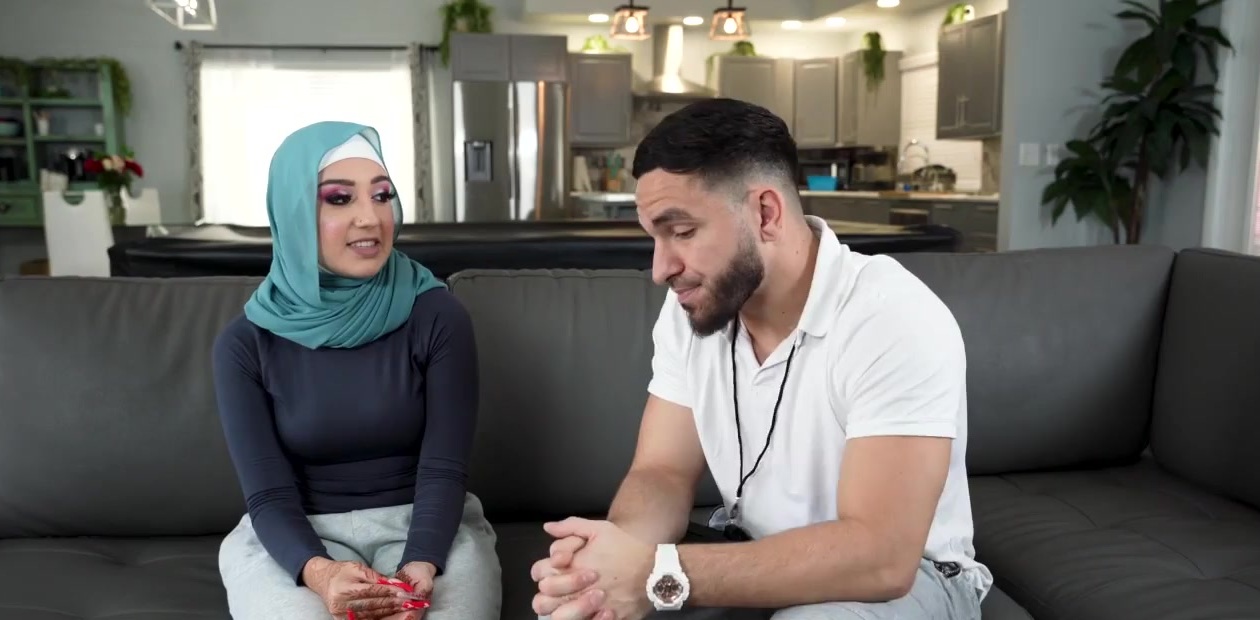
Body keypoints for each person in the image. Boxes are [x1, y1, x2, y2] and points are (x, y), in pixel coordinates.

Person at [529, 98, 991, 620]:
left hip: (907, 580)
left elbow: (880, 557)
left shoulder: (890, 316)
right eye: (654, 237)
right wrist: (611, 566)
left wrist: (658, 573)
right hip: (752, 550)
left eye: (682, 232)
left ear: (765, 213)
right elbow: (662, 472)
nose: (661, 268)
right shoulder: (692, 308)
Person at [212, 121, 501, 620]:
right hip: (298, 540)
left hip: (426, 529)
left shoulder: (438, 315)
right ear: (295, 212)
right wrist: (319, 572)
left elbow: (444, 467)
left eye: (382, 195)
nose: (370, 218)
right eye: (340, 199)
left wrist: (420, 567)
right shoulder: (244, 344)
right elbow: (268, 493)